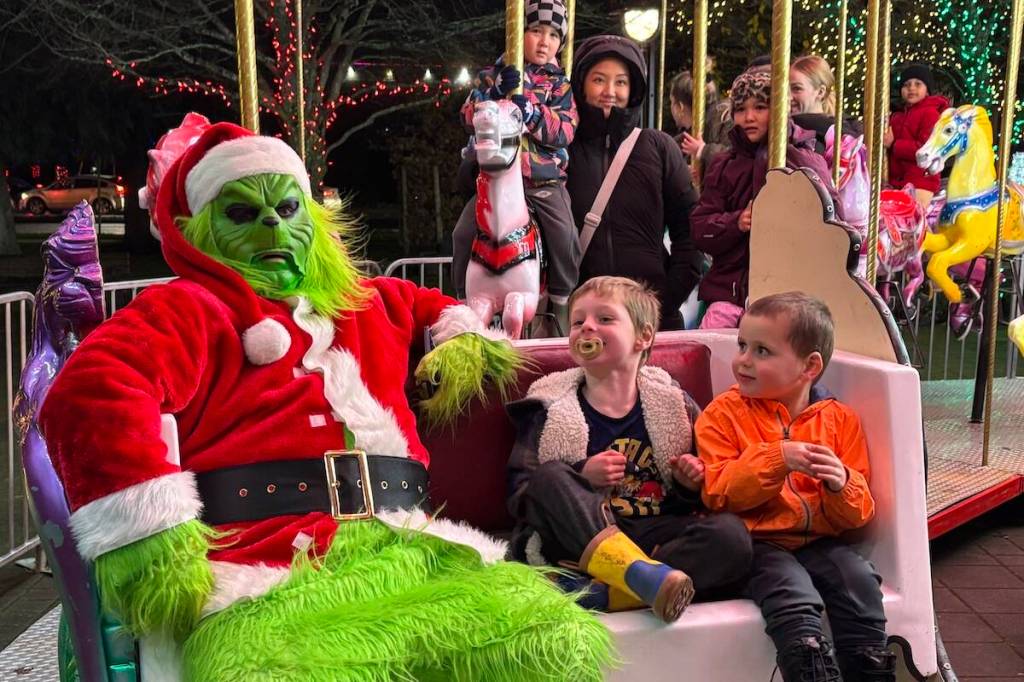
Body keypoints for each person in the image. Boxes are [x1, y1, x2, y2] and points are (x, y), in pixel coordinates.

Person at [39, 116, 614, 680]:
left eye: (287, 209)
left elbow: (434, 307)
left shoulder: (361, 303)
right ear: (202, 236)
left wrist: (458, 345)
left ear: (312, 220)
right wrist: (150, 531)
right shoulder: (189, 309)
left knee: (551, 637)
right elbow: (91, 390)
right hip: (264, 571)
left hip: (405, 544)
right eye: (242, 214)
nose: (271, 227)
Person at [506, 276, 753, 623]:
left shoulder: (675, 405)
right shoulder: (547, 406)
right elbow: (521, 496)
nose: (587, 327)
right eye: (578, 321)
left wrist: (688, 484)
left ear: (644, 336)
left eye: (605, 319)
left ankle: (609, 591)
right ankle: (640, 578)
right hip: (583, 534)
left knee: (733, 538)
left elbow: (704, 495)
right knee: (550, 476)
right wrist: (581, 473)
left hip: (656, 533)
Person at [696, 292, 893, 682]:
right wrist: (776, 458)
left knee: (859, 582)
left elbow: (858, 515)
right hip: (758, 543)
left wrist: (842, 484)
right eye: (742, 345)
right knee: (793, 595)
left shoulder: (840, 420)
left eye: (762, 351)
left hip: (821, 541)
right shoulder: (722, 414)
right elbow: (718, 493)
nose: (743, 361)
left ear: (809, 367)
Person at [451, 0, 579, 332]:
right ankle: (462, 299)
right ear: (519, 34)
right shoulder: (492, 77)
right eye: (535, 31)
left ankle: (563, 299)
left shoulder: (559, 86)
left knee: (564, 235)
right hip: (496, 184)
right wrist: (494, 92)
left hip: (541, 180)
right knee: (463, 232)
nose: (543, 41)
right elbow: (468, 116)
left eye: (552, 35)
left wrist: (534, 114)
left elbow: (566, 130)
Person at [567, 35, 704, 330]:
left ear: (633, 88)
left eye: (620, 82)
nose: (610, 91)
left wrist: (665, 300)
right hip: (585, 320)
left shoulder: (657, 147)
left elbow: (690, 229)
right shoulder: (564, 150)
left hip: (650, 317)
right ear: (582, 85)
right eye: (599, 80)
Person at [691, 70, 838, 329]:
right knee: (712, 339)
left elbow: (833, 219)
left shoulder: (803, 158)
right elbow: (701, 227)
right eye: (740, 109)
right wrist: (737, 221)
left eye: (760, 107)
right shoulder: (724, 165)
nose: (749, 117)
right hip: (732, 291)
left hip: (788, 290)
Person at [885, 63, 949, 209]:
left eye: (917, 84)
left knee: (912, 221)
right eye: (906, 85)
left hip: (922, 181)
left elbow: (925, 149)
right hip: (898, 181)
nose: (911, 88)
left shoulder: (931, 114)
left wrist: (894, 145)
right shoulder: (896, 117)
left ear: (927, 90)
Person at [789, 54, 864, 153]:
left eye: (797, 89)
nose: (788, 96)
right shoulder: (846, 128)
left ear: (820, 92)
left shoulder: (817, 133)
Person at [669, 70, 733, 184]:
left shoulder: (723, 120)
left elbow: (734, 161)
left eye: (672, 102)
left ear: (680, 107)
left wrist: (703, 151)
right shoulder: (688, 135)